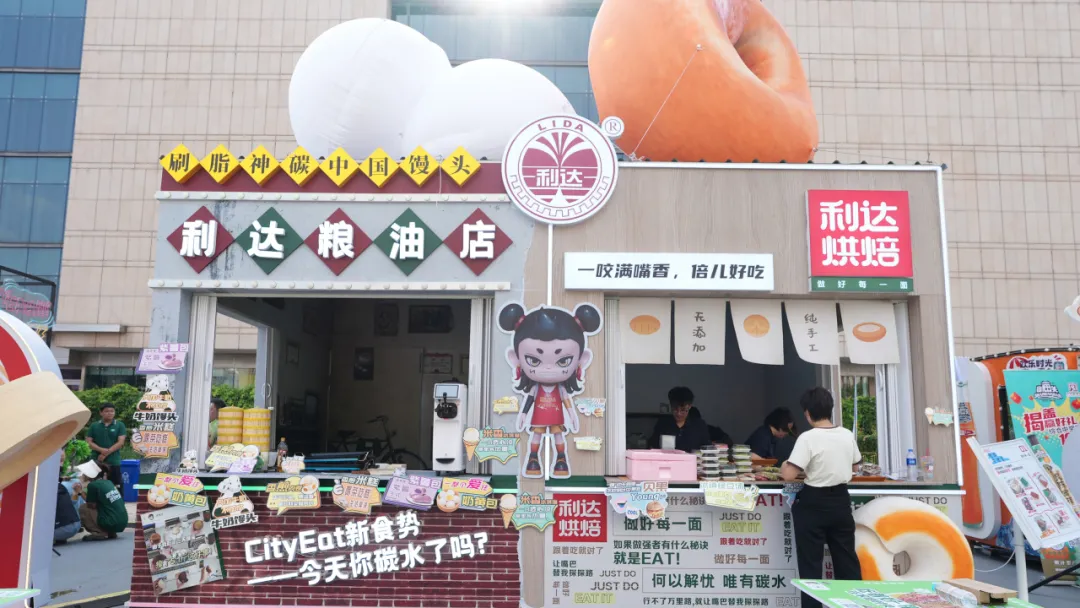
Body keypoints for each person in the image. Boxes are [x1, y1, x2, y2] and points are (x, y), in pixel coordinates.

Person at [781, 387, 862, 608]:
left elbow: (788, 475)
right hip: (841, 502)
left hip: (813, 503)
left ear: (807, 413)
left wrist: (785, 464)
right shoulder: (846, 434)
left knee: (811, 567)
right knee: (847, 563)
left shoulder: (808, 438)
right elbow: (856, 466)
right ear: (830, 408)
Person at [648, 387, 712, 453]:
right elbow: (653, 446)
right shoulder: (662, 424)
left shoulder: (699, 426)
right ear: (671, 405)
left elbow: (707, 450)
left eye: (683, 410)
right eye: (675, 409)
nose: (679, 414)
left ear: (689, 406)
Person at [76, 461, 128, 541]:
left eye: (84, 473)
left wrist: (79, 492)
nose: (83, 475)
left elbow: (91, 505)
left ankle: (99, 532)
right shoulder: (108, 482)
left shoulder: (93, 485)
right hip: (122, 522)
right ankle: (111, 532)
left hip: (111, 522)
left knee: (83, 508)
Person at [86, 403, 126, 487]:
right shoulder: (94, 425)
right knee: (94, 485)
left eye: (112, 411)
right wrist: (101, 450)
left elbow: (120, 442)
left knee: (115, 486)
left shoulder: (120, 425)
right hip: (96, 460)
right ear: (101, 413)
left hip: (113, 461)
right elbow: (89, 442)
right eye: (107, 411)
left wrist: (105, 454)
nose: (110, 413)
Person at [54, 479, 81, 544]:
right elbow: (73, 502)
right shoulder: (62, 487)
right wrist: (76, 492)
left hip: (61, 530)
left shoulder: (44, 489)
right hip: (77, 525)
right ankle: (60, 538)